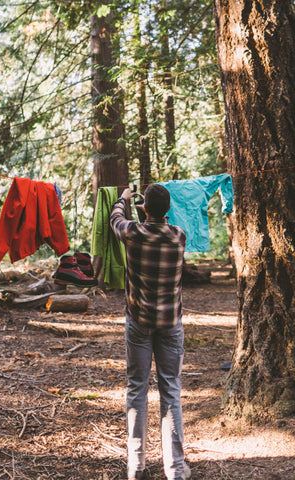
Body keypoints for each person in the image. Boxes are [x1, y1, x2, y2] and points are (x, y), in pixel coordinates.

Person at [110, 185, 191, 480]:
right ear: (167, 210)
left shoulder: (133, 232)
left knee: (137, 390)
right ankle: (176, 471)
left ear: (145, 208)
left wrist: (124, 198)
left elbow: (115, 218)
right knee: (170, 393)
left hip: (139, 323)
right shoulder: (179, 236)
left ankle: (136, 468)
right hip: (170, 323)